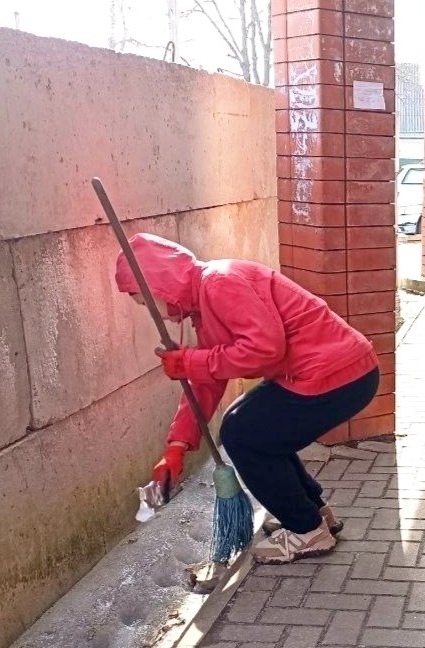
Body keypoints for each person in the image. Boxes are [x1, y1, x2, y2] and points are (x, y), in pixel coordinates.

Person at [115, 233, 379, 564]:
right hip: (335, 372)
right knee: (251, 425)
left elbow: (265, 347)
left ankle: (307, 531)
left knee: (243, 434)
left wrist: (191, 361)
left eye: (146, 301)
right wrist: (177, 446)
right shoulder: (205, 302)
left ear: (161, 283)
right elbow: (207, 380)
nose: (159, 315)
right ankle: (313, 513)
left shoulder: (219, 283)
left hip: (337, 375)